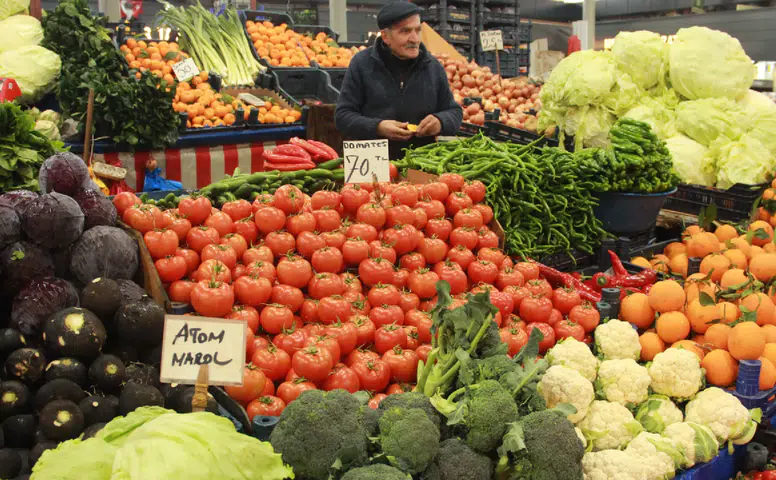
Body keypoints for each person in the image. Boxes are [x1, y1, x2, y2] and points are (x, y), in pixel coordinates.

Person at [335, 1, 463, 159]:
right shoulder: (362, 64)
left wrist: (441, 121)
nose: (415, 39)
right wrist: (378, 127)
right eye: (405, 31)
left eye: (418, 30)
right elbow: (343, 116)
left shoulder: (432, 67)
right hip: (373, 163)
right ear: (386, 37)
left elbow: (454, 111)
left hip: (422, 163)